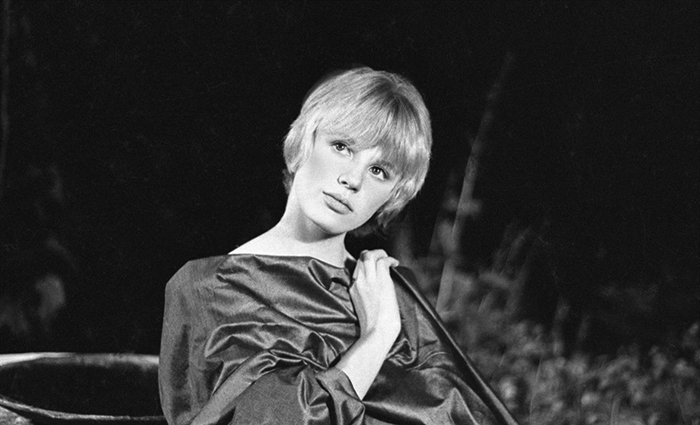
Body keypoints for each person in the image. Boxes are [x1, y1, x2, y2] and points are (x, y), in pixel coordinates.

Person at [159, 67, 518, 425]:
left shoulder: (389, 291)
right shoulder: (207, 289)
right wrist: (377, 338)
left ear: (393, 195)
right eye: (342, 147)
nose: (353, 179)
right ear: (306, 140)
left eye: (379, 171)